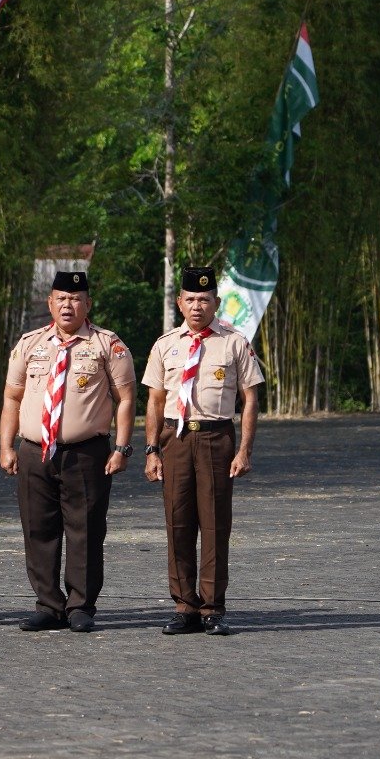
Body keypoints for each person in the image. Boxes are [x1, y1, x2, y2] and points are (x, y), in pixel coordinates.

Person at [0, 270, 135, 633]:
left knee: (85, 531)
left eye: (75, 299)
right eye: (61, 298)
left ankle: (80, 606)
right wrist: (6, 446)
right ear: (50, 303)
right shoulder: (30, 343)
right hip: (35, 452)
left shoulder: (108, 344)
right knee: (37, 530)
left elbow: (125, 399)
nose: (68, 305)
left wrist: (121, 447)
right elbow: (12, 397)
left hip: (86, 453)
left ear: (88, 304)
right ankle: (48, 605)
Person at [141, 267, 264, 636]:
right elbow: (154, 401)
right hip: (175, 439)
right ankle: (184, 606)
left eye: (205, 300)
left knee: (214, 525)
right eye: (191, 299)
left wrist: (244, 450)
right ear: (180, 302)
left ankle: (212, 608)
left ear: (216, 303)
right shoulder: (165, 344)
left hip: (215, 439)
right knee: (177, 523)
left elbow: (250, 399)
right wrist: (151, 450)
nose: (197, 306)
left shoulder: (234, 343)